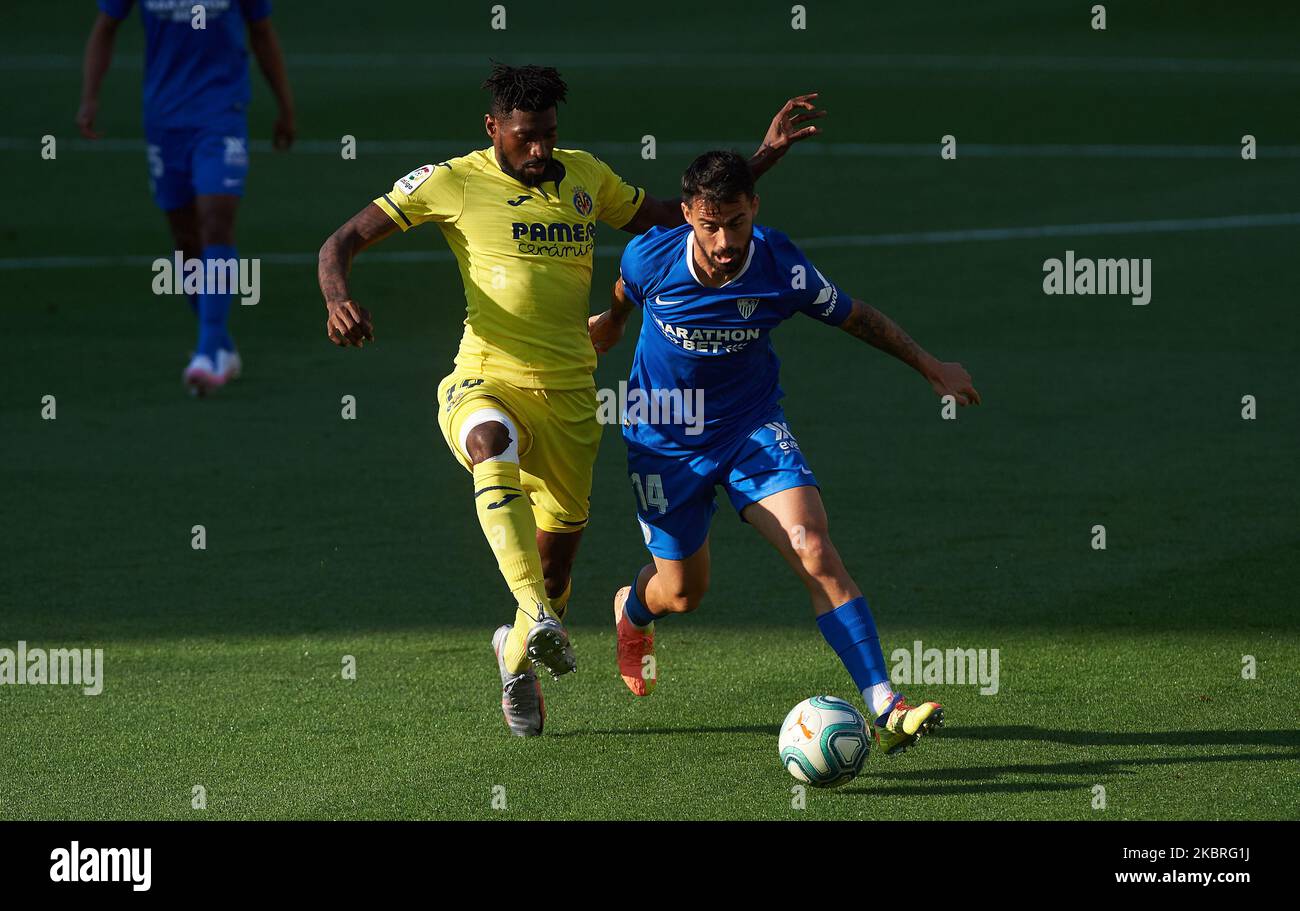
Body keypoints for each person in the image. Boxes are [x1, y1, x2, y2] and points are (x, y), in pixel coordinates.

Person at [317, 63, 824, 736]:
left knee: (556, 569)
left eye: (548, 135)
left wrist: (760, 161)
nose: (539, 150)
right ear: (493, 128)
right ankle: (537, 610)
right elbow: (341, 240)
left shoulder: (585, 177)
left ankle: (517, 648)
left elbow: (680, 218)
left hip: (572, 396)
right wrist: (338, 297)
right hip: (488, 373)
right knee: (486, 440)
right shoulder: (453, 181)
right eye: (525, 137)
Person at [598, 150, 981, 754]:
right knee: (682, 594)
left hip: (750, 427)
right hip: (663, 439)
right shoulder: (652, 254)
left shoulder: (780, 265)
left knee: (812, 545)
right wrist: (616, 322)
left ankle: (885, 702)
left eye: (735, 222)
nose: (724, 241)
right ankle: (633, 611)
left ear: (755, 207)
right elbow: (626, 288)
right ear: (691, 217)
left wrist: (930, 365)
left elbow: (855, 316)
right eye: (709, 225)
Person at [78, 0, 295, 395]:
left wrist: (285, 105)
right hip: (164, 118)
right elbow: (105, 27)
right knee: (184, 239)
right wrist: (89, 97)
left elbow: (262, 32)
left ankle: (207, 349)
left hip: (220, 114)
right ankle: (221, 346)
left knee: (216, 221)